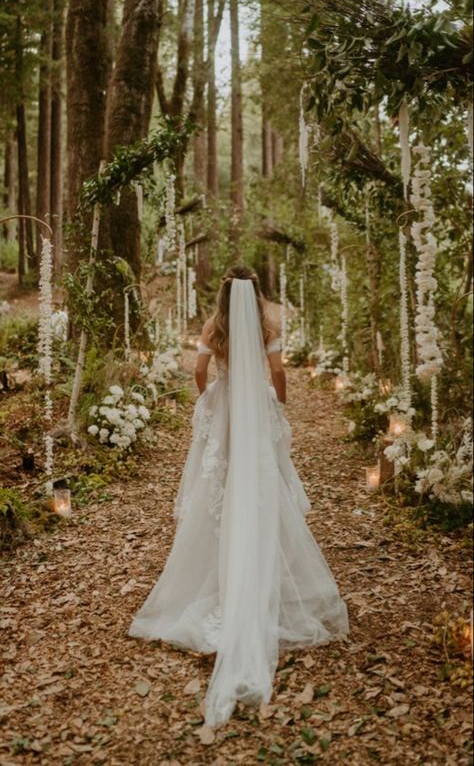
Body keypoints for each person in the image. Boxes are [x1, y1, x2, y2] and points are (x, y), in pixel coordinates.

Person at [128, 264, 349, 728]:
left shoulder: (214, 326)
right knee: (260, 473)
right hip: (253, 404)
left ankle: (220, 549)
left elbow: (200, 369)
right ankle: (259, 545)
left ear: (226, 295)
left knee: (221, 474)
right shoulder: (267, 327)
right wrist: (277, 398)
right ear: (255, 296)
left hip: (228, 404)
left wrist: (211, 397)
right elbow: (278, 371)